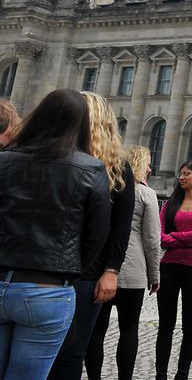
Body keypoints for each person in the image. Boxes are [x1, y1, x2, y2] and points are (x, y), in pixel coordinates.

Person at [0, 89, 111, 379]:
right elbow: (96, 235)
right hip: (48, 287)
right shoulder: (91, 168)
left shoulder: (5, 160)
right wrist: (69, 269)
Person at [49, 91, 134, 380]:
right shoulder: (57, 157)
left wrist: (111, 270)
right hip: (50, 268)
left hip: (90, 274)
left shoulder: (119, 168)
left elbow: (121, 226)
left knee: (73, 349)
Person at [85, 146, 161, 380]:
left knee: (97, 330)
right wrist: (155, 275)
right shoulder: (146, 194)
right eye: (148, 163)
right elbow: (151, 239)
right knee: (129, 329)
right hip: (133, 271)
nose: (150, 168)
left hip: (103, 266)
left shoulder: (109, 187)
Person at [156, 158, 192, 380]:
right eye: (181, 173)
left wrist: (172, 238)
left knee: (190, 322)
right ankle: (160, 373)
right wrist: (176, 239)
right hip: (169, 266)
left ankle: (182, 373)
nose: (182, 177)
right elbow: (159, 236)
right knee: (165, 323)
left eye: (187, 173)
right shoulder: (170, 203)